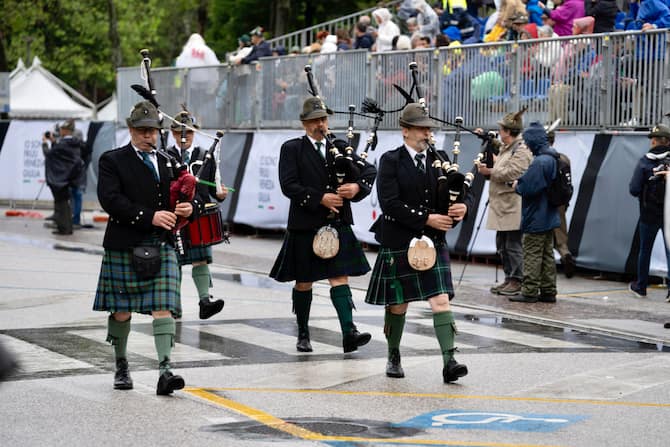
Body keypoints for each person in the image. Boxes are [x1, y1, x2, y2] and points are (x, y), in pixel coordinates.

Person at [93, 101, 195, 395]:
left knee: (163, 307)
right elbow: (110, 200)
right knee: (121, 310)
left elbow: (189, 195)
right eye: (143, 131)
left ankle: (165, 370)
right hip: (125, 243)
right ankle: (121, 364)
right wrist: (149, 215)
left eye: (153, 131)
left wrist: (190, 208)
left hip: (160, 244)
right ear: (131, 130)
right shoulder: (113, 160)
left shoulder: (169, 162)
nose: (149, 136)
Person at [365, 103, 469, 383]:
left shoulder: (442, 159)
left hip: (433, 243)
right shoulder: (390, 160)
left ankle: (450, 361)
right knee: (398, 305)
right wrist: (427, 219)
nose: (427, 133)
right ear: (405, 131)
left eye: (429, 128)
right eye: (422, 128)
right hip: (400, 239)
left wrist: (462, 208)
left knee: (440, 300)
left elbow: (459, 193)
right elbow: (390, 204)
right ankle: (394, 354)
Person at [269, 97, 376, 354]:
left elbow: (369, 171)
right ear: (305, 123)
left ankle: (349, 332)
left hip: (335, 222)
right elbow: (288, 185)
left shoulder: (339, 147)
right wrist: (320, 198)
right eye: (316, 120)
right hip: (306, 223)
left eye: (324, 119)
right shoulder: (292, 148)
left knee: (339, 277)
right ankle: (303, 332)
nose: (321, 124)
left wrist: (356, 188)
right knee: (304, 281)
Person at [167, 111, 228, 319]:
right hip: (174, 215)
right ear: (172, 133)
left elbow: (213, 188)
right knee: (173, 261)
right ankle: (174, 305)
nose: (184, 138)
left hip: (198, 214)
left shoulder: (205, 156)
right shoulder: (165, 156)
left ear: (195, 132)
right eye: (178, 133)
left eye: (189, 134)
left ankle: (204, 301)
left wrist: (220, 195)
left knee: (200, 260)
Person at [477, 110, 533, 296]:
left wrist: (490, 172)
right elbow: (501, 149)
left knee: (513, 245)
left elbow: (515, 172)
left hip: (512, 204)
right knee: (502, 244)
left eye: (501, 129)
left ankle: (518, 279)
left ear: (508, 131)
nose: (499, 132)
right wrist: (488, 139)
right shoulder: (508, 147)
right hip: (501, 204)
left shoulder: (522, 150)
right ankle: (509, 277)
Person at [510, 121, 561, 303]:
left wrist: (517, 184)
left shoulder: (540, 162)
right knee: (547, 255)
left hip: (536, 215)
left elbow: (528, 188)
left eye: (527, 141)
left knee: (532, 253)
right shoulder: (554, 156)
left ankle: (529, 291)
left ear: (533, 140)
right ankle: (548, 290)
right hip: (549, 215)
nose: (526, 144)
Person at [628, 123, 670, 298]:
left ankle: (641, 286)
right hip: (669, 213)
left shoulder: (645, 161)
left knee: (645, 250)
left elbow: (634, 189)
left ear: (655, 141)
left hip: (648, 213)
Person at [43, 119, 84, 235]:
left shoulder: (64, 143)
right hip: (71, 176)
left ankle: (65, 228)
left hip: (62, 178)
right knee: (65, 202)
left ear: (65, 131)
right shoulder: (73, 142)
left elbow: (49, 154)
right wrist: (54, 142)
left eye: (61, 129)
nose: (59, 131)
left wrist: (45, 143)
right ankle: (65, 226)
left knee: (63, 204)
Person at [547, 130, 577, 278]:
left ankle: (547, 267)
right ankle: (566, 254)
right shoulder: (564, 158)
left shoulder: (542, 158)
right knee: (560, 234)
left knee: (544, 237)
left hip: (546, 202)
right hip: (561, 202)